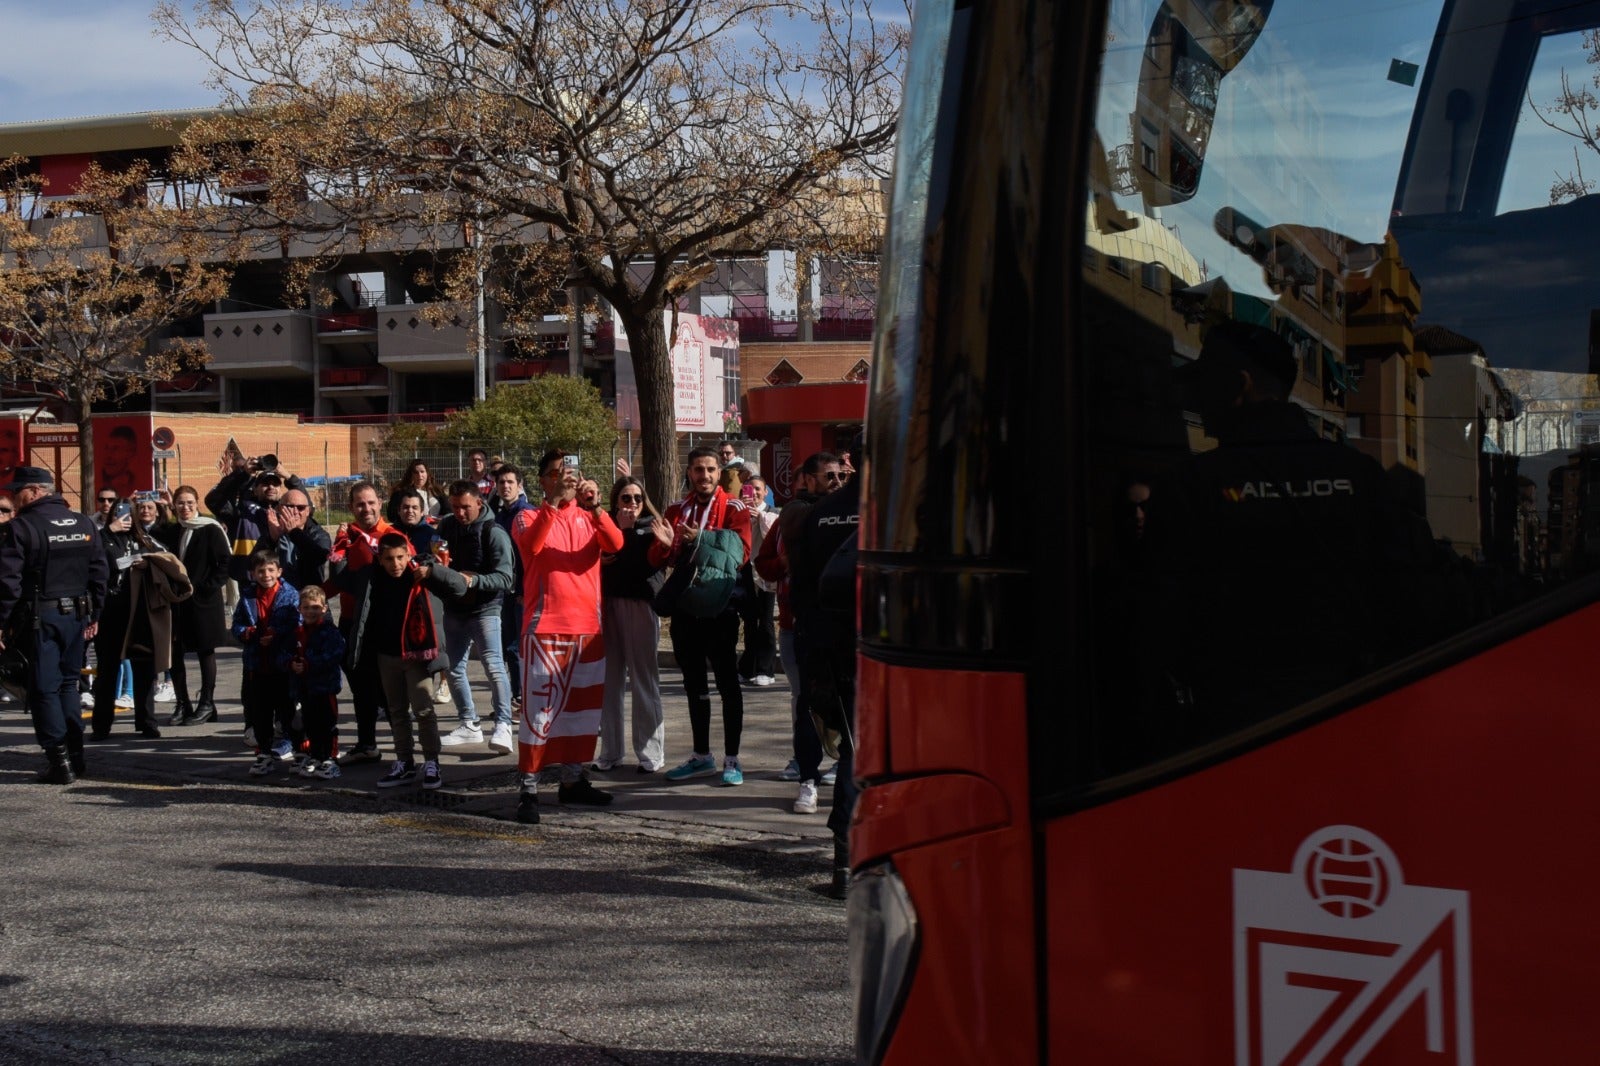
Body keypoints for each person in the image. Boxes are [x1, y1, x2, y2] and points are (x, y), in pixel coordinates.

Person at [508, 450, 624, 823]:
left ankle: (573, 780)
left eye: (570, 472)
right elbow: (533, 546)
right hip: (545, 628)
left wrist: (596, 507)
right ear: (542, 480)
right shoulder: (528, 515)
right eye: (556, 474)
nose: (567, 479)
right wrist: (555, 502)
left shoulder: (589, 516)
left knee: (582, 714)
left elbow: (616, 544)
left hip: (588, 628)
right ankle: (528, 788)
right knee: (540, 713)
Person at [650, 447, 753, 786]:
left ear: (720, 472)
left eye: (710, 469)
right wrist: (666, 545)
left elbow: (739, 553)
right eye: (698, 469)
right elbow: (663, 559)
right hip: (684, 609)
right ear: (689, 472)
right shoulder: (676, 509)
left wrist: (702, 538)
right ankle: (701, 755)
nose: (704, 476)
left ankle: (733, 759)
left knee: (727, 684)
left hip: (721, 608)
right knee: (694, 684)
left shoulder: (734, 508)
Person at [0, 467, 108, 783]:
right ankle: (76, 756)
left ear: (34, 491)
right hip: (76, 618)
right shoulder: (83, 522)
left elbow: (8, 583)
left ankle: (59, 763)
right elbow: (100, 572)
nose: (12, 497)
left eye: (16, 491)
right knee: (67, 686)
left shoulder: (21, 528)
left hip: (40, 620)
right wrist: (95, 615)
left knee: (44, 688)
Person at [328, 532, 450, 790]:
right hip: (386, 655)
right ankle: (405, 761)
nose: (395, 564)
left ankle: (432, 761)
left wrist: (433, 572)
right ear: (380, 560)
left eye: (400, 558)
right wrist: (339, 549)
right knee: (396, 712)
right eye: (389, 559)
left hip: (416, 655)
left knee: (424, 709)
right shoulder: (370, 577)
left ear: (408, 555)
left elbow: (456, 586)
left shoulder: (421, 572)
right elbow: (340, 578)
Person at [757, 450, 843, 809]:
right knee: (805, 702)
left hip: (841, 624)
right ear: (806, 480)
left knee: (844, 702)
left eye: (841, 476)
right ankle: (807, 773)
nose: (837, 483)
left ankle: (842, 763)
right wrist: (788, 559)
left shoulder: (849, 513)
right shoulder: (793, 516)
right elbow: (765, 565)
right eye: (829, 476)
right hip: (798, 625)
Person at [430, 480, 517, 754]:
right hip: (455, 608)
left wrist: (473, 581)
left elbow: (506, 577)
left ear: (479, 503)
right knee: (453, 668)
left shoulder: (494, 532)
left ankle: (503, 724)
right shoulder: (446, 525)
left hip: (486, 609)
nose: (459, 513)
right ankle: (468, 723)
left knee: (494, 666)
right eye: (454, 507)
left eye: (465, 507)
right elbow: (435, 553)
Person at [595, 475, 666, 773]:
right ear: (615, 501)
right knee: (609, 682)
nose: (633, 504)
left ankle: (650, 753)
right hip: (609, 605)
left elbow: (647, 566)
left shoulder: (653, 526)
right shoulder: (604, 524)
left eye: (637, 498)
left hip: (641, 605)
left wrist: (625, 537)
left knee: (643, 680)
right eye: (626, 498)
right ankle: (610, 752)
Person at [326, 481, 397, 764]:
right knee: (360, 687)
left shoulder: (392, 536)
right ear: (351, 507)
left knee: (388, 690)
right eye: (359, 504)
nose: (365, 508)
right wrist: (317, 595)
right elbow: (339, 578)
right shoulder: (347, 536)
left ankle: (407, 752)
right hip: (350, 622)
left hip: (381, 624)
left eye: (370, 503)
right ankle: (367, 744)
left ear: (380, 503)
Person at [156, 486, 231, 727]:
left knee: (205, 651)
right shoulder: (174, 529)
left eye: (189, 503)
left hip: (204, 602)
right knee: (175, 653)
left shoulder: (210, 529)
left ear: (197, 503)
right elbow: (154, 537)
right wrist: (163, 508)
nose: (184, 507)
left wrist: (206, 587)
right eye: (180, 503)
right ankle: (182, 703)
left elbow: (224, 563)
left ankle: (207, 703)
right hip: (178, 602)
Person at [89, 501, 160, 739]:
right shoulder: (102, 538)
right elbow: (93, 559)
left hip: (139, 612)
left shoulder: (142, 539)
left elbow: (163, 555)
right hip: (111, 611)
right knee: (107, 670)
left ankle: (147, 722)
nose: (125, 519)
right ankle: (101, 725)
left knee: (144, 669)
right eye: (118, 515)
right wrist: (110, 530)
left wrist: (147, 561)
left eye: (128, 515)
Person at [232, 548, 302, 776]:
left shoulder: (290, 594)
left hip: (282, 664)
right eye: (260, 571)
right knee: (260, 712)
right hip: (257, 665)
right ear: (253, 573)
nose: (266, 575)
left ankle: (298, 750)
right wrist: (248, 633)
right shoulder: (247, 596)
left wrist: (277, 633)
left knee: (287, 711)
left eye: (270, 570)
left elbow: (297, 623)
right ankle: (263, 752)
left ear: (279, 571)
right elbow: (237, 625)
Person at [287, 584, 346, 779]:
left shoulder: (329, 631)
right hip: (305, 687)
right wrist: (292, 663)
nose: (311, 611)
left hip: (325, 687)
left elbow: (334, 654)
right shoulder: (298, 632)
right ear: (300, 609)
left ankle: (330, 757)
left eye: (315, 607)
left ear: (324, 608)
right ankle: (317, 755)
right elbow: (290, 652)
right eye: (306, 607)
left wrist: (310, 663)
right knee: (310, 723)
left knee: (327, 724)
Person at [492, 465, 532, 709]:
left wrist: (525, 591)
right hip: (502, 591)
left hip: (521, 592)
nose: (505, 487)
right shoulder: (497, 517)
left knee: (518, 647)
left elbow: (530, 556)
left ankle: (522, 698)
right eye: (501, 483)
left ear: (520, 485)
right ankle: (516, 696)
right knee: (507, 646)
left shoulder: (527, 513)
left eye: (510, 482)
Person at [738, 476, 778, 687]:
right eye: (749, 489)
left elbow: (775, 538)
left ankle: (766, 669)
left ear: (765, 492)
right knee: (749, 622)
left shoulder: (774, 513)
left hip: (765, 573)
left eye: (758, 489)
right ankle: (748, 668)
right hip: (745, 572)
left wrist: (760, 516)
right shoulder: (739, 512)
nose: (753, 493)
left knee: (766, 621)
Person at [257, 486, 331, 592]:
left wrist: (294, 533)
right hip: (278, 596)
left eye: (301, 508)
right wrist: (271, 540)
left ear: (308, 511)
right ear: (279, 508)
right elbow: (253, 564)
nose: (295, 511)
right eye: (290, 507)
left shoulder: (318, 534)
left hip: (308, 598)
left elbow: (320, 557)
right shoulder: (274, 530)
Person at [99, 425, 139, 500]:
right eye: (106, 448)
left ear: (130, 452)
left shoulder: (137, 483)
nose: (108, 455)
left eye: (115, 449)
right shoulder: (98, 482)